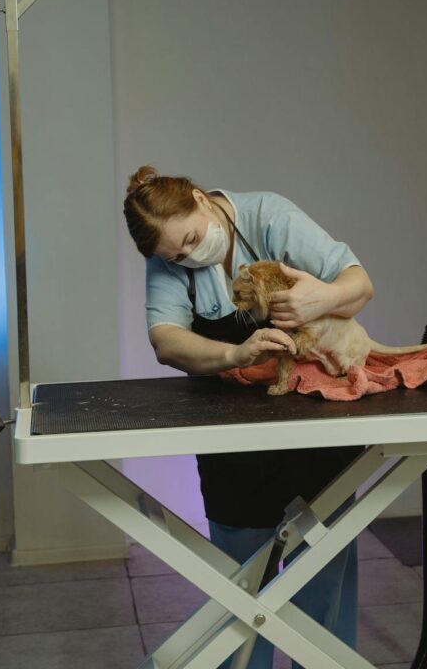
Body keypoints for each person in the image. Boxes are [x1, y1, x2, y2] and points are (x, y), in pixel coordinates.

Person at [123, 165, 374, 669]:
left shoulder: (268, 215)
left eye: (193, 239)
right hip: (231, 436)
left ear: (200, 198)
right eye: (176, 255)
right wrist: (236, 356)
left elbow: (359, 284)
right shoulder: (165, 255)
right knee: (239, 587)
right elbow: (165, 340)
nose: (189, 255)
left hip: (314, 425)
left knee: (321, 576)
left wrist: (316, 299)